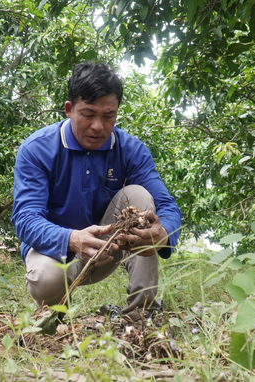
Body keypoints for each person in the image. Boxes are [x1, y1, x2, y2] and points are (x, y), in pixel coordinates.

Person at [11, 62, 181, 321]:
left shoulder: (131, 151)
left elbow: (167, 206)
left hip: (106, 251)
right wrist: (72, 239)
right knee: (46, 277)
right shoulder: (37, 150)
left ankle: (141, 314)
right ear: (69, 110)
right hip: (57, 254)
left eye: (108, 115)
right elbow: (25, 218)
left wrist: (163, 233)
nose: (98, 126)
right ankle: (52, 319)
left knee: (141, 198)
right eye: (88, 114)